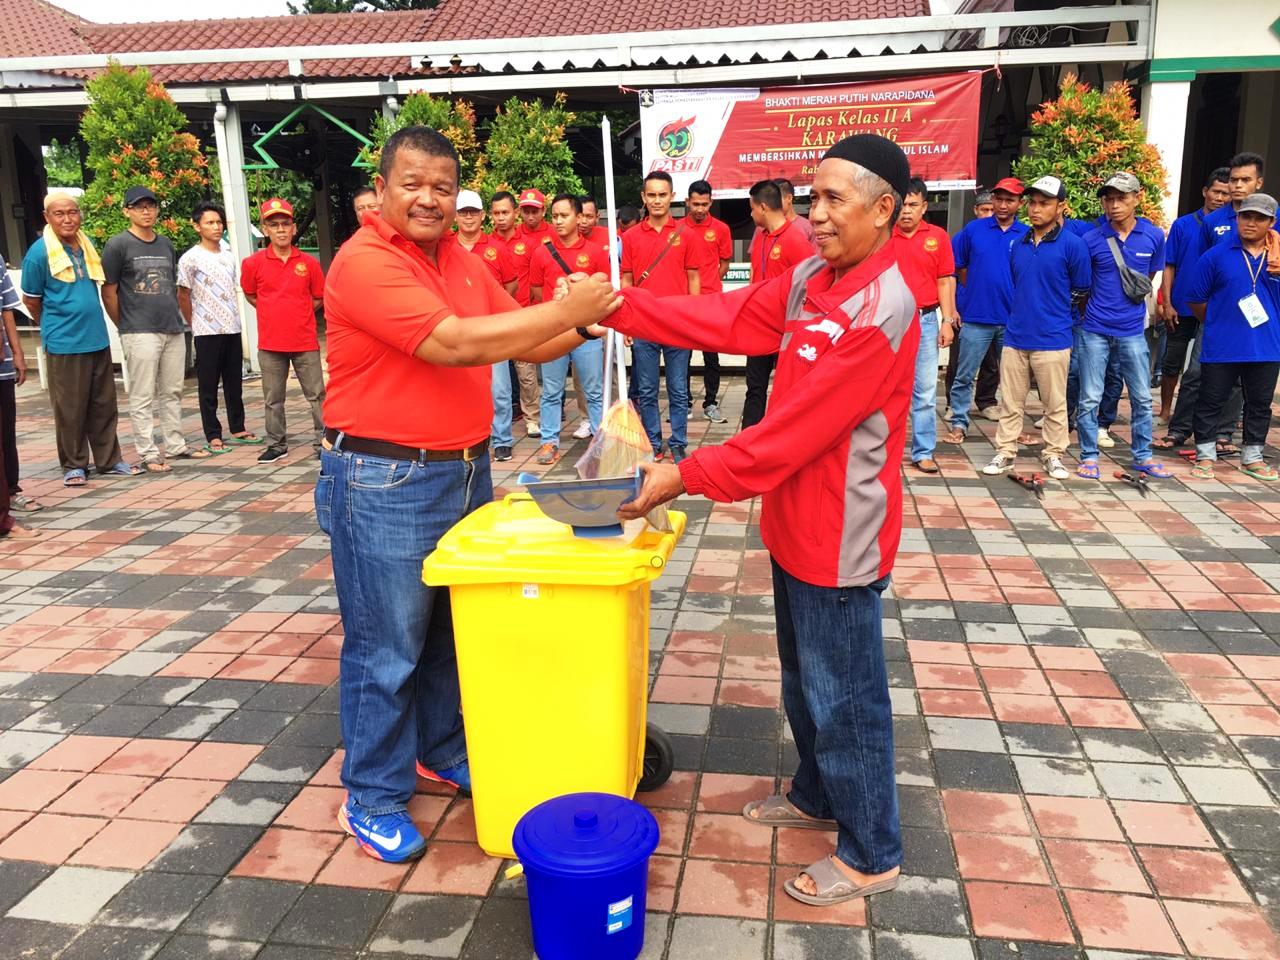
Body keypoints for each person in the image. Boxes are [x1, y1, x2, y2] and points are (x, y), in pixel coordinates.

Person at [604, 133, 915, 907]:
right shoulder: (812, 275)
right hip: (792, 525)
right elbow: (728, 317)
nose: (818, 214)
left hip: (841, 536)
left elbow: (786, 439)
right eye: (813, 198)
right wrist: (620, 307)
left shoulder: (882, 307)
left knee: (848, 698)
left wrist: (681, 475)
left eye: (835, 199)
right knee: (805, 681)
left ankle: (873, 849)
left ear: (885, 208)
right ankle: (816, 793)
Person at [319, 125, 619, 862]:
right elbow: (455, 343)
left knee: (451, 634)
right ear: (382, 189)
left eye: (443, 188)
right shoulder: (364, 263)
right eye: (412, 184)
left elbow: (519, 341)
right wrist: (567, 306)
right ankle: (373, 794)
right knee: (386, 647)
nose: (428, 199)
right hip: (385, 477)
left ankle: (440, 750)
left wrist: (588, 315)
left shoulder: (456, 256)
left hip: (462, 469)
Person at [20, 193, 137, 486]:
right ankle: (74, 464)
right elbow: (31, 300)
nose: (67, 219)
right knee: (70, 408)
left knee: (103, 404)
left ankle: (109, 460)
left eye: (72, 212)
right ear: (47, 217)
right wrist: (52, 325)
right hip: (64, 342)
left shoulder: (86, 246)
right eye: (59, 214)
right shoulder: (39, 253)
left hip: (96, 337)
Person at [983, 176, 1090, 481]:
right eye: (1032, 202)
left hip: (1054, 337)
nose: (1035, 209)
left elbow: (1082, 289)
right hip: (1016, 335)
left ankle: (1054, 454)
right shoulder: (1019, 243)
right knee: (1011, 401)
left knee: (1054, 404)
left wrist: (1053, 311)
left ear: (1061, 207)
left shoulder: (1073, 245)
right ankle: (1005, 451)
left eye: (1044, 203)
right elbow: (1019, 283)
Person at [1161, 160, 1267, 452]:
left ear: (1258, 183)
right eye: (1234, 180)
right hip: (1218, 310)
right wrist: (1208, 312)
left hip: (1255, 313)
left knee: (1239, 375)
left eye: (1245, 180)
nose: (1237, 186)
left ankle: (1223, 434)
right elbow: (1206, 268)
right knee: (1197, 370)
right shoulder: (1212, 222)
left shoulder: (1274, 217)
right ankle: (1179, 429)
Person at [102, 185, 209, 472]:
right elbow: (109, 291)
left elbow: (172, 286)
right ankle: (148, 452)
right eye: (139, 207)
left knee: (173, 390)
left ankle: (175, 445)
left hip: (172, 327)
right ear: (127, 211)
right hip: (139, 330)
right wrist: (125, 325)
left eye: (150, 205)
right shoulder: (118, 245)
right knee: (142, 394)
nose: (146, 211)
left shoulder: (165, 244)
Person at [1075, 172, 1171, 481]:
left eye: (1122, 198)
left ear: (1137, 198)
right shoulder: (1090, 239)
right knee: (1090, 396)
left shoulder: (1154, 236)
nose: (1114, 205)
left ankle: (1143, 456)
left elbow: (1152, 273)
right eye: (1109, 198)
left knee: (1142, 397)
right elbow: (1082, 284)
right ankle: (1088, 456)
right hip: (1094, 329)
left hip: (1132, 331)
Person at [1185, 193, 1280, 481]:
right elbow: (1197, 299)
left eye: (1259, 218)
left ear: (1271, 222)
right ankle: (1204, 454)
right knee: (1211, 399)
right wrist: (1216, 322)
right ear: (1237, 218)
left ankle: (1252, 456)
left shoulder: (1277, 258)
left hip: (1266, 345)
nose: (1251, 222)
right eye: (1245, 216)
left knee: (1260, 403)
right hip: (1223, 343)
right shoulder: (1216, 255)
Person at [621, 170, 703, 462]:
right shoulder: (629, 237)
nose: (657, 201)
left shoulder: (687, 234)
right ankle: (654, 441)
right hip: (643, 324)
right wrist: (626, 320)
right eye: (651, 195)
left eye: (662, 195)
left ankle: (678, 441)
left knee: (679, 389)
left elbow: (694, 277)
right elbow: (627, 280)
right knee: (646, 389)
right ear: (644, 198)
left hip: (678, 324)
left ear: (672, 197)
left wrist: (695, 318)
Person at [240, 198, 326, 464]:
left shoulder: (309, 263)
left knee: (318, 396)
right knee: (272, 398)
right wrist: (273, 312)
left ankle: (323, 441)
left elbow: (318, 297)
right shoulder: (253, 263)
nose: (280, 229)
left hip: (305, 340)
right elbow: (251, 294)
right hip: (270, 342)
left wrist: (296, 314)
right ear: (265, 229)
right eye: (273, 224)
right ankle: (277, 445)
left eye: (285, 224)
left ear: (293, 227)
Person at [944, 177, 1026, 446]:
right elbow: (958, 267)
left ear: (1019, 203)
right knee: (964, 374)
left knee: (1014, 379)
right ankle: (958, 422)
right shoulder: (973, 230)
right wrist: (961, 303)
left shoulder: (1026, 234)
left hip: (1013, 319)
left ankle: (1012, 429)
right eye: (998, 199)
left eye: (1009, 200)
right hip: (977, 316)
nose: (1002, 205)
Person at [528, 194, 609, 463]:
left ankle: (600, 445)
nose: (559, 221)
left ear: (578, 217)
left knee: (594, 390)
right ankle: (549, 443)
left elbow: (604, 291)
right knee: (551, 390)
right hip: (555, 333)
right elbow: (538, 292)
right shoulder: (542, 253)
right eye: (555, 216)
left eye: (564, 216)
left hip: (588, 334)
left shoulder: (595, 253)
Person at [177, 202, 259, 454]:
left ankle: (238, 427)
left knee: (234, 381)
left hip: (232, 327)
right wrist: (195, 323)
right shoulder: (190, 258)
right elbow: (183, 294)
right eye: (209, 222)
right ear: (197, 226)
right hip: (206, 331)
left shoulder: (228, 255)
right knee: (208, 384)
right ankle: (212, 434)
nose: (215, 227)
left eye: (218, 222)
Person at [1155, 168, 1232, 428]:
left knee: (1204, 366)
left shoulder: (1232, 227)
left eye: (1226, 193)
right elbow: (1169, 265)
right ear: (1205, 192)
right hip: (1181, 305)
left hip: (1214, 308)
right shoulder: (1183, 224)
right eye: (1216, 192)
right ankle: (1166, 412)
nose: (1221, 197)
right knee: (1171, 361)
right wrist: (1167, 303)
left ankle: (1201, 416)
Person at [892, 177, 957, 473]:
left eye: (913, 205)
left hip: (927, 320)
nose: (906, 211)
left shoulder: (938, 236)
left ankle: (923, 450)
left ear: (924, 207)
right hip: (890, 322)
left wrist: (948, 320)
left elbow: (945, 279)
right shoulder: (882, 234)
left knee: (925, 391)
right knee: (885, 390)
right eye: (902, 205)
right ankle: (884, 452)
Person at [742, 179, 817, 430]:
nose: (750, 214)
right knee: (755, 387)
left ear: (763, 207)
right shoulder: (761, 236)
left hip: (786, 329)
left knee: (786, 390)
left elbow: (813, 281)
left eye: (752, 208)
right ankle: (748, 439)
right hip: (758, 326)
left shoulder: (795, 239)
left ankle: (780, 439)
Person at [454, 190, 520, 462]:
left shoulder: (497, 248)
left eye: (473, 211)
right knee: (458, 387)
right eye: (463, 212)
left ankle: (502, 438)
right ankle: (466, 437)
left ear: (483, 216)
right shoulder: (444, 247)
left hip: (492, 329)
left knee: (500, 388)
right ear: (455, 216)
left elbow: (511, 285)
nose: (468, 217)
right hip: (456, 330)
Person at [491, 189, 544, 437]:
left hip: (522, 314)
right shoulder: (487, 244)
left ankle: (532, 417)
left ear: (515, 213)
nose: (501, 217)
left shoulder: (530, 244)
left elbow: (536, 281)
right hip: (493, 320)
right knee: (495, 379)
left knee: (526, 373)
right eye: (497, 213)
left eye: (505, 212)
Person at [684, 179, 732, 424]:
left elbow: (724, 262)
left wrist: (711, 281)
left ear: (711, 202)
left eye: (704, 204)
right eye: (695, 204)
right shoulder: (679, 228)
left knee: (711, 355)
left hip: (712, 302)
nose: (700, 209)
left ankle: (711, 402)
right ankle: (684, 403)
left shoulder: (721, 229)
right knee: (682, 355)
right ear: (687, 202)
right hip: (685, 302)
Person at [0, 268, 40, 513]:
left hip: (2, 364)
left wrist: (17, 352)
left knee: (6, 432)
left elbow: (6, 310)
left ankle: (11, 491)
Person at [775, 178, 818, 246]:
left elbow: (815, 254)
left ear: (789, 198)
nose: (772, 204)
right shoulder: (764, 227)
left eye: (776, 200)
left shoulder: (808, 227)